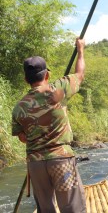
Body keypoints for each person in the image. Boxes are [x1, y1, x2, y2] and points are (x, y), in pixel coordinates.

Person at [12, 38, 87, 213]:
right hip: (61, 161)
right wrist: (80, 50)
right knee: (71, 208)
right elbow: (80, 74)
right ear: (47, 75)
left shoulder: (18, 107)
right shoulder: (59, 89)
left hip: (36, 165)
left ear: (25, 79)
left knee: (45, 209)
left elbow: (23, 137)